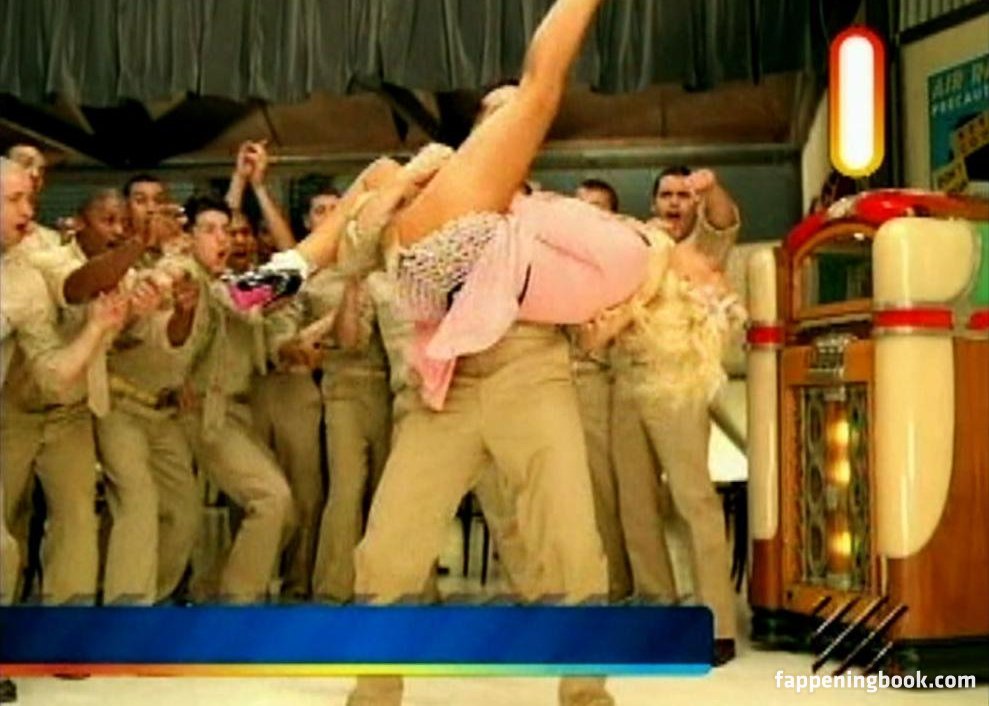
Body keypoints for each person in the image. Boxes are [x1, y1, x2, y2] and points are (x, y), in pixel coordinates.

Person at [610, 165, 744, 665]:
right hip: (625, 382)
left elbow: (724, 217)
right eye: (665, 194)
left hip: (678, 386)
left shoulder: (705, 249)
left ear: (695, 205)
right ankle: (658, 613)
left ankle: (716, 625)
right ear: (653, 202)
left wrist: (711, 188)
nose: (673, 203)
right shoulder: (636, 247)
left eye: (683, 196)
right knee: (636, 505)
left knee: (695, 501)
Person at [1, 158, 129, 605]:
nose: (28, 208)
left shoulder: (29, 267)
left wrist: (96, 327)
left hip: (60, 412)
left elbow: (51, 373)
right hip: (11, 417)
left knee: (56, 530)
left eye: (30, 198)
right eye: (15, 198)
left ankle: (63, 630)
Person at [177, 194, 296, 604]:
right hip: (204, 413)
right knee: (272, 499)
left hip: (237, 411)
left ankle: (211, 591)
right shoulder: (188, 278)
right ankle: (235, 605)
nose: (222, 239)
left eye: (225, 230)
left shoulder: (227, 282)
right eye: (209, 230)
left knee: (285, 512)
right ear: (187, 237)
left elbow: (283, 282)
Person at [572, 179, 632, 601]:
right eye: (581, 206)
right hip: (551, 381)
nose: (587, 214)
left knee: (600, 487)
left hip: (595, 379)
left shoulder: (622, 262)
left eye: (598, 207)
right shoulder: (562, 259)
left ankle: (615, 584)